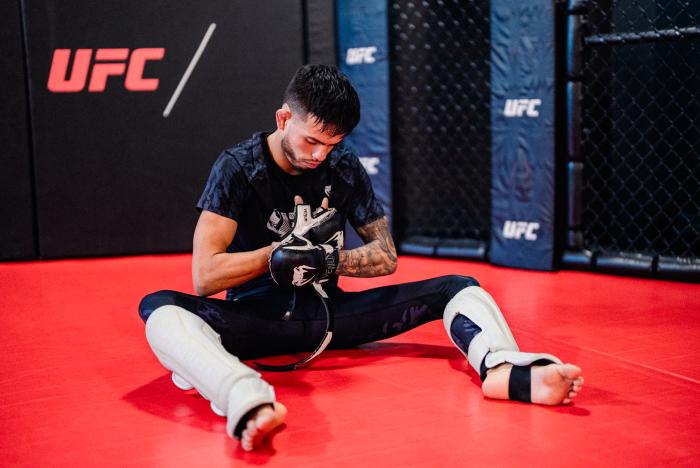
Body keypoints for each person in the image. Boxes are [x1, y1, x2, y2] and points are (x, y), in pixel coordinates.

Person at [138, 64, 584, 452]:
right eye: (312, 141)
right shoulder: (237, 167)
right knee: (160, 306)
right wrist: (275, 256)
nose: (319, 155)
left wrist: (330, 261)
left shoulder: (344, 167)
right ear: (283, 118)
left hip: (332, 317)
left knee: (457, 287)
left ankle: (504, 368)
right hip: (256, 321)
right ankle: (245, 398)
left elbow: (385, 255)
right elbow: (204, 276)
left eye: (331, 145)